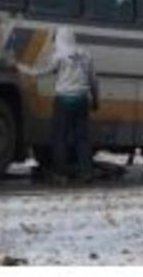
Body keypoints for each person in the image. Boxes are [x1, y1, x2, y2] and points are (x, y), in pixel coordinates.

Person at [17, 27, 99, 183]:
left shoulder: (58, 57)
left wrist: (23, 69)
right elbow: (94, 80)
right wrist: (95, 99)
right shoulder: (85, 54)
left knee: (60, 138)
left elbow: (42, 72)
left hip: (64, 101)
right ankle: (86, 171)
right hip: (82, 100)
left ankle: (61, 173)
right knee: (82, 138)